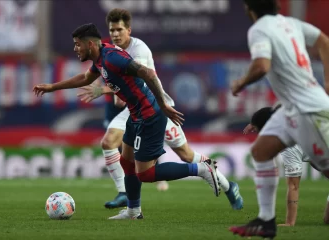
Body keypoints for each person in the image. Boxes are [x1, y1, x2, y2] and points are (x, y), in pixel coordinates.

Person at [33, 23, 221, 220]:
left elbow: (147, 73)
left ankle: (202, 169)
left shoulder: (113, 58)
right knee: (126, 161)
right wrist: (52, 87)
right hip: (135, 114)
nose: (75, 49)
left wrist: (163, 105)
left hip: (150, 114)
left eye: (77, 44)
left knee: (145, 174)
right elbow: (85, 78)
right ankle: (133, 211)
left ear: (90, 44)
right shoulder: (100, 58)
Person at [77, 8, 243, 210]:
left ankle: (227, 185)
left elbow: (138, 81)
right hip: (133, 110)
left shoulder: (139, 49)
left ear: (129, 30)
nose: (115, 34)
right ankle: (124, 193)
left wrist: (105, 89)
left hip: (155, 106)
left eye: (119, 29)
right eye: (112, 30)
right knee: (109, 141)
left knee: (186, 155)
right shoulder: (111, 51)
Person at [229, 0, 329, 238]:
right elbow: (324, 41)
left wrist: (241, 82)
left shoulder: (258, 29)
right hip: (290, 107)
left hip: (308, 109)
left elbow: (262, 66)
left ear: (249, 9)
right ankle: (266, 221)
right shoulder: (291, 23)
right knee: (261, 152)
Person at [243, 106, 329, 227]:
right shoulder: (295, 119)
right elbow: (275, 110)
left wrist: (290, 222)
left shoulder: (289, 145)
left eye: (260, 131)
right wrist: (256, 122)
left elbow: (294, 186)